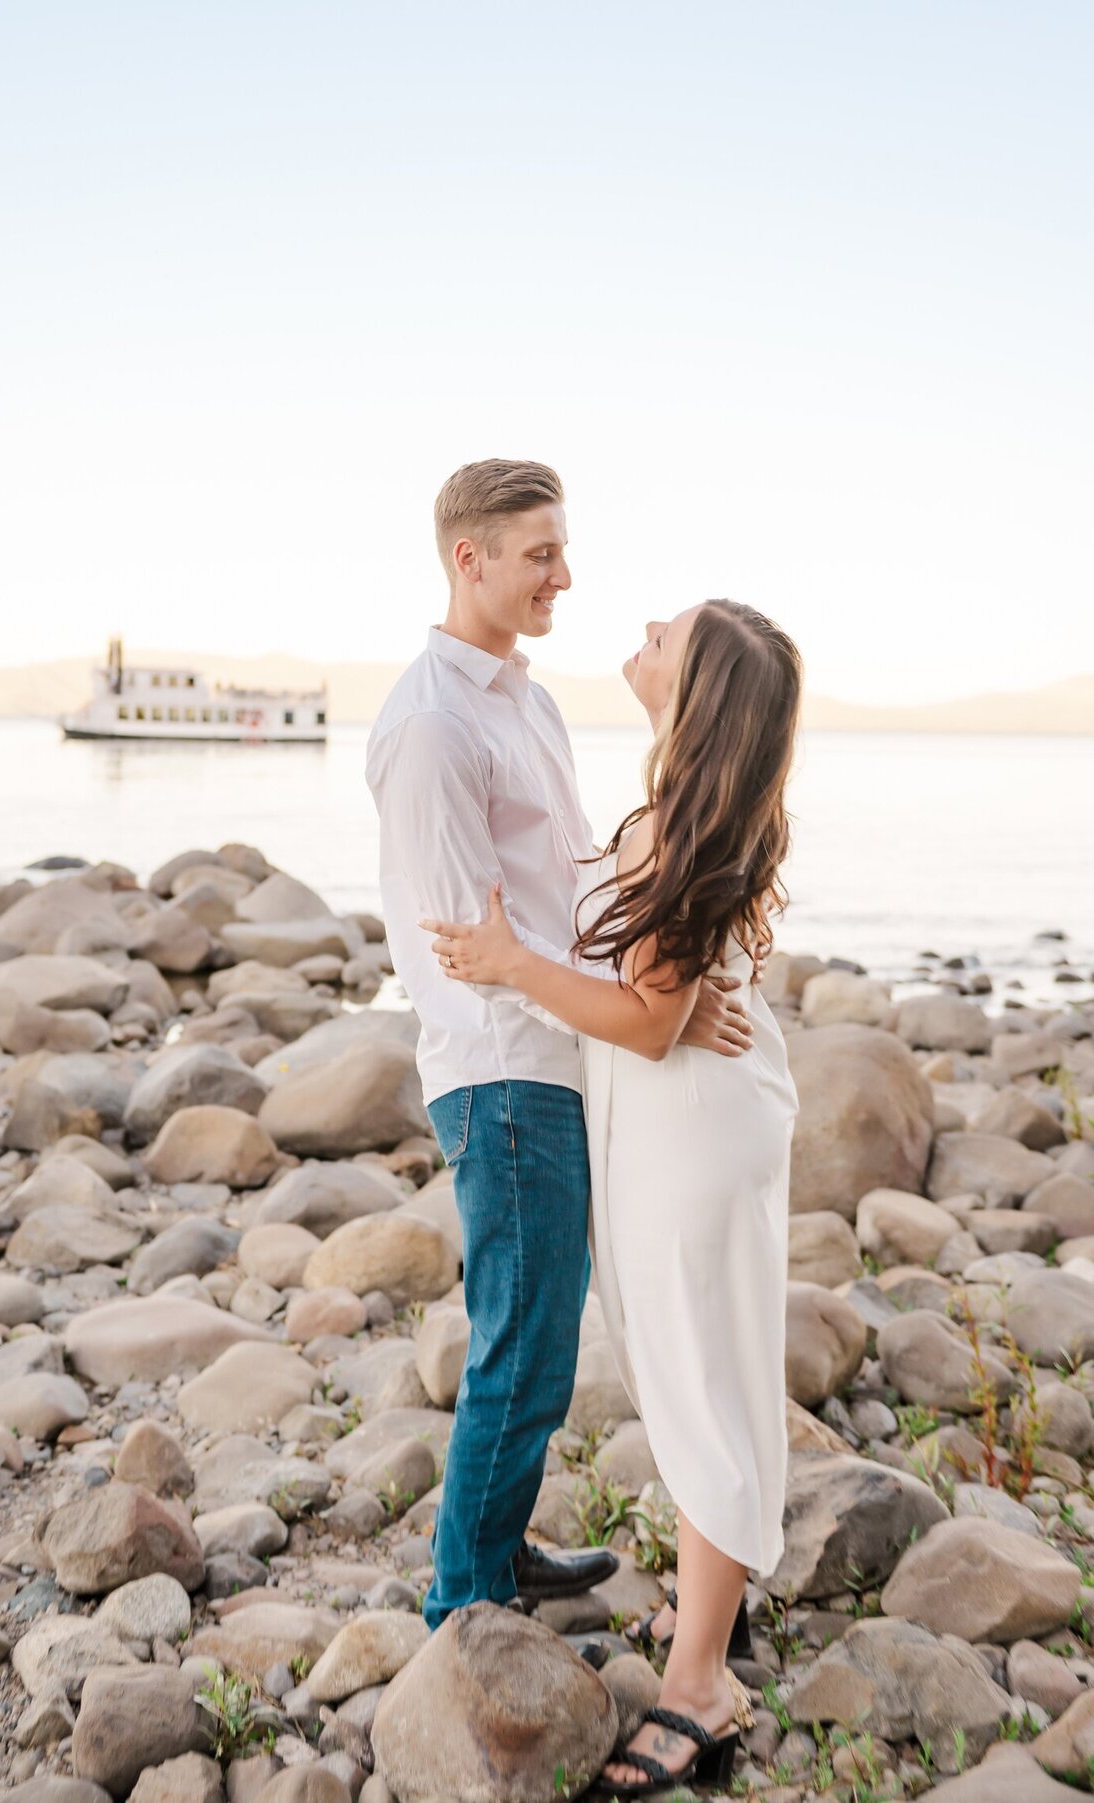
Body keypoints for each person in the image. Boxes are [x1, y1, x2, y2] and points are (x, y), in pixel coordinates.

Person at [365, 460, 757, 1634]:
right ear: (468, 559)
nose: (564, 576)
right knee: (523, 1346)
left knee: (539, 1330)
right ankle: (463, 1603)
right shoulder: (431, 727)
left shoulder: (523, 702)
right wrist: (644, 1014)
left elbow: (569, 886)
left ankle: (499, 1546)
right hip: (499, 1070)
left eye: (561, 550)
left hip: (555, 1055)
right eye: (539, 554)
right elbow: (467, 950)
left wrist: (666, 989)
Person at [421, 598, 802, 1794]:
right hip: (682, 1119)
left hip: (686, 1128)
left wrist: (509, 968)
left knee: (700, 1383)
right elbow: (661, 998)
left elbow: (641, 1020)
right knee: (691, 1372)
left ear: (697, 696)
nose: (640, 626)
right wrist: (674, 1001)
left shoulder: (680, 830)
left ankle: (700, 1686)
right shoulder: (684, 815)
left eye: (667, 633)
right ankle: (709, 1626)